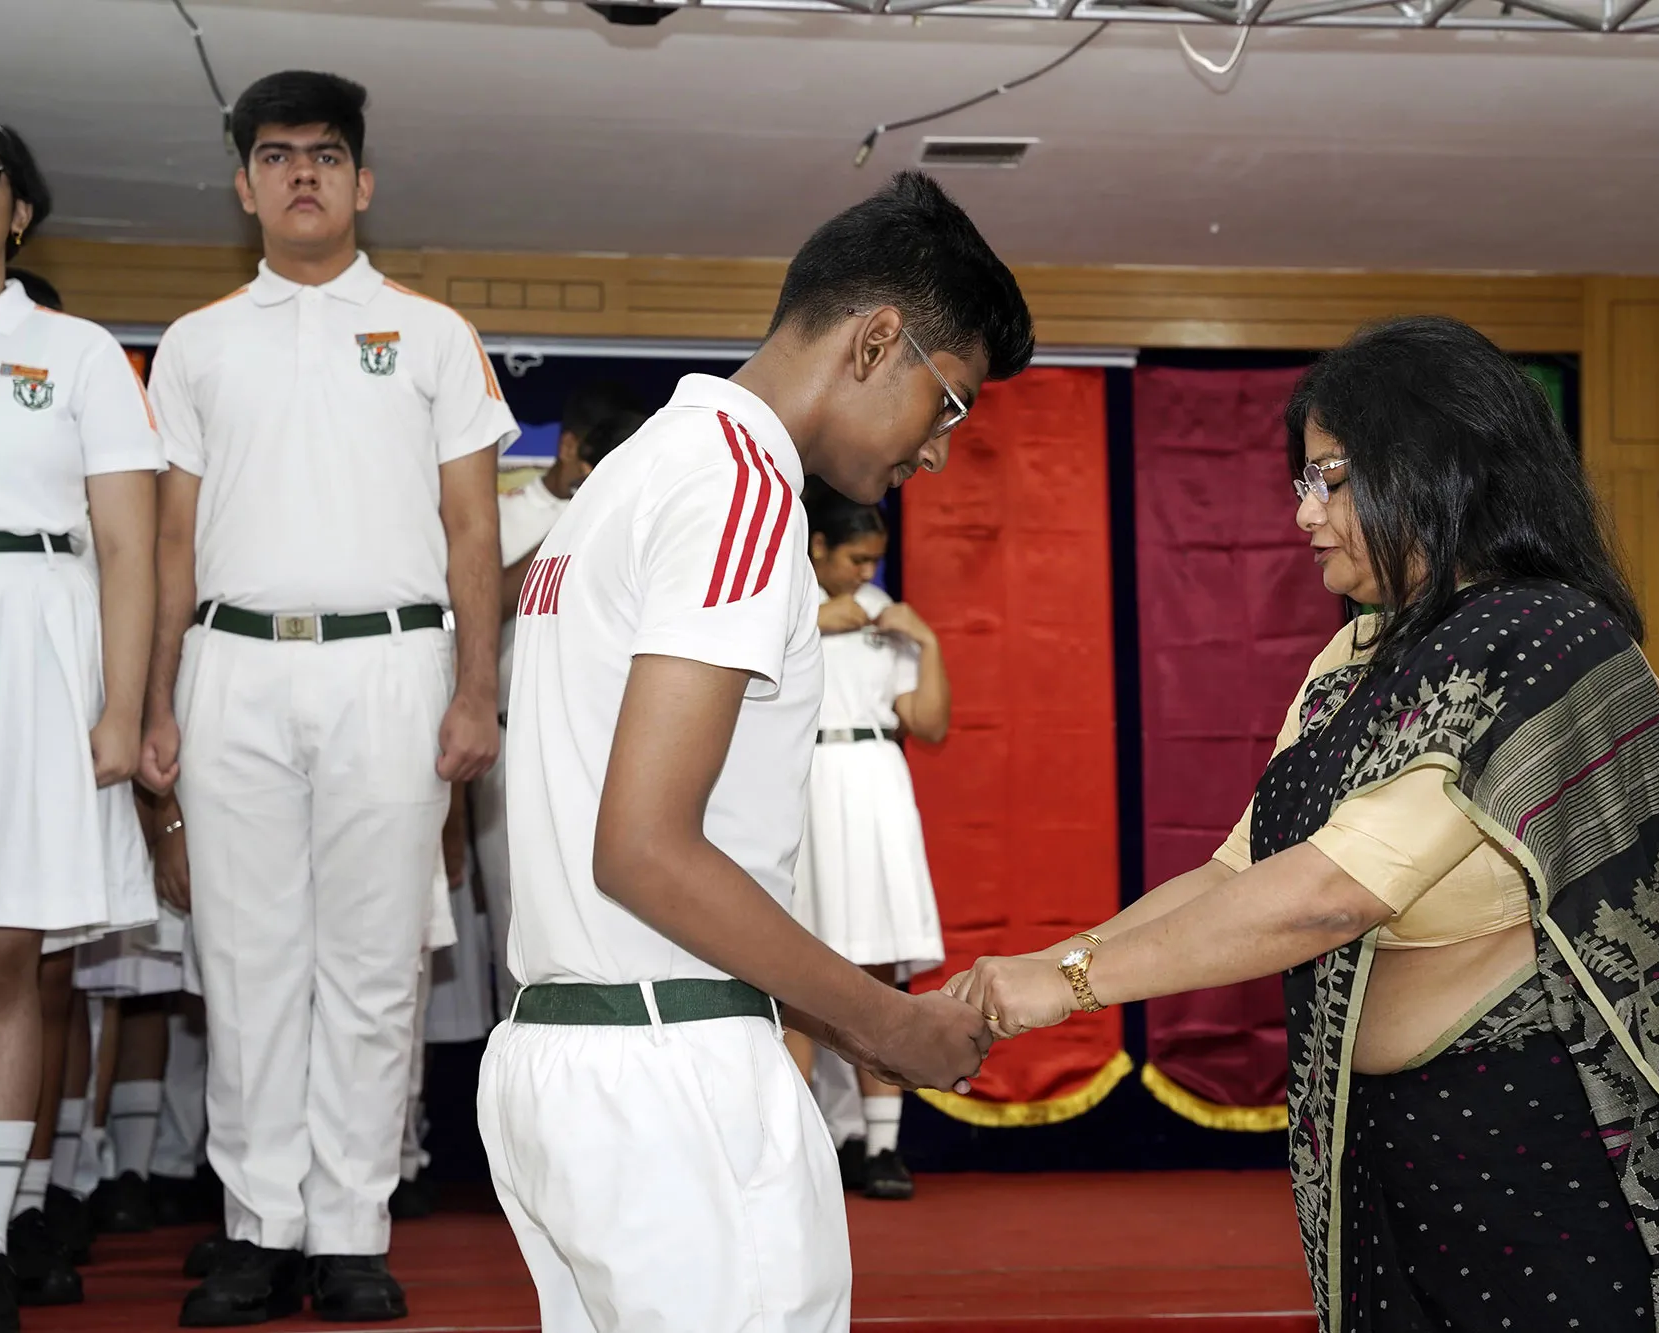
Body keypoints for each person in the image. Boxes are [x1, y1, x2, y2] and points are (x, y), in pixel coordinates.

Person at [951, 315, 1659, 1333]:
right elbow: (1236, 876)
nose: (1303, 513)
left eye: (1329, 478)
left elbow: (1330, 895)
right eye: (1302, 479)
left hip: (1540, 1151)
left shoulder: (1545, 641)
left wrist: (1069, 984)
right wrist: (1042, 966)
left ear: (1433, 467)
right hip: (1386, 1147)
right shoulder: (1354, 659)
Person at [477, 170, 1030, 1332]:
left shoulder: (626, 475)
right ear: (876, 341)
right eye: (949, 404)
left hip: (566, 1053)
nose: (939, 452)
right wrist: (890, 1025)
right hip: (669, 1077)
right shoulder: (738, 486)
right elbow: (644, 849)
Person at [136, 70, 516, 1326]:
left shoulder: (431, 333)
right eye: (276, 154)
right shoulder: (195, 342)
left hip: (391, 667)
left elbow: (473, 530)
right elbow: (172, 543)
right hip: (232, 665)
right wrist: (156, 700)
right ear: (245, 187)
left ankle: (350, 1230)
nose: (302, 171)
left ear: (363, 182)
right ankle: (258, 1228)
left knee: (372, 962)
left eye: (326, 153)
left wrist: (476, 690)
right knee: (244, 963)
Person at [0, 107, 161, 1333]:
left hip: (27, 646)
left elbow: (130, 546)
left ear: (19, 210)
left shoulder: (78, 350)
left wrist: (121, 708)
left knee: (3, 953)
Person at [784, 479, 951, 1201]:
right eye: (855, 558)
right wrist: (816, 621)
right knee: (791, 965)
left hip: (876, 780)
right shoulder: (782, 601)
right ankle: (793, 1150)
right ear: (817, 546)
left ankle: (882, 1148)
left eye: (874, 560)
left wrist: (928, 641)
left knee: (876, 963)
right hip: (804, 779)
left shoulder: (884, 611)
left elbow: (929, 722)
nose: (866, 572)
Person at [471, 385, 649, 1020]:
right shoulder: (510, 514)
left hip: (614, 745)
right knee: (521, 920)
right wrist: (573, 529)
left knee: (615, 924)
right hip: (514, 742)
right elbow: (480, 606)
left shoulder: (643, 523)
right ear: (575, 449)